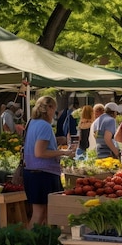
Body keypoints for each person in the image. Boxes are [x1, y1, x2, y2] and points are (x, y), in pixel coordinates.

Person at [23, 96, 76, 226]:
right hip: (43, 174)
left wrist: (56, 142)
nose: (55, 113)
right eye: (55, 109)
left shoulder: (32, 122)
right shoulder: (45, 126)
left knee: (43, 214)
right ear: (50, 108)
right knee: (40, 214)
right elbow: (40, 152)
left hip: (32, 172)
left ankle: (38, 243)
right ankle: (28, 244)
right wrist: (64, 152)